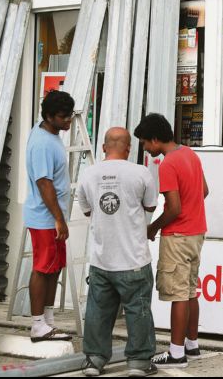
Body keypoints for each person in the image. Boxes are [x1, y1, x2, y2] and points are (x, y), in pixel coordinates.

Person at [76, 127, 159, 377]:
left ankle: (95, 360)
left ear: (103, 147)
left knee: (98, 312)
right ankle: (139, 362)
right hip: (134, 258)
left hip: (102, 259)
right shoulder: (140, 172)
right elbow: (150, 205)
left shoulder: (88, 174)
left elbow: (88, 211)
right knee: (138, 310)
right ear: (128, 148)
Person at [133, 113, 209, 369]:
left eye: (145, 143)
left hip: (177, 235)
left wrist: (153, 227)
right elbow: (205, 191)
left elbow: (173, 208)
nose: (145, 148)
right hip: (197, 232)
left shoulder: (167, 165)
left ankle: (176, 354)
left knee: (178, 294)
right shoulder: (190, 154)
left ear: (155, 139)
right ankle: (192, 344)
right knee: (190, 292)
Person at [24, 90, 75, 342]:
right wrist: (59, 218)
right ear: (49, 116)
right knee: (43, 268)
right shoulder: (43, 143)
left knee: (54, 268)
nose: (68, 121)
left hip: (52, 216)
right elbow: (44, 183)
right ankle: (37, 324)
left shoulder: (49, 133)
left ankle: (47, 320)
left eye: (70, 116)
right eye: (63, 117)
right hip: (46, 218)